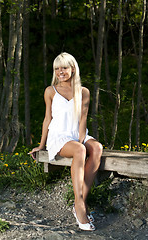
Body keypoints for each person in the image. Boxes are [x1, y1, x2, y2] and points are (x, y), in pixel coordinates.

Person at [29, 52, 103, 231]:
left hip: (77, 133)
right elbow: (47, 119)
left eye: (64, 67)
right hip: (59, 135)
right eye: (56, 68)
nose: (60, 71)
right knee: (79, 150)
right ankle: (79, 207)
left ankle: (80, 202)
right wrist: (41, 145)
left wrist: (81, 140)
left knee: (97, 148)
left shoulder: (83, 92)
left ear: (72, 69)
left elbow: (83, 118)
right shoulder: (50, 91)